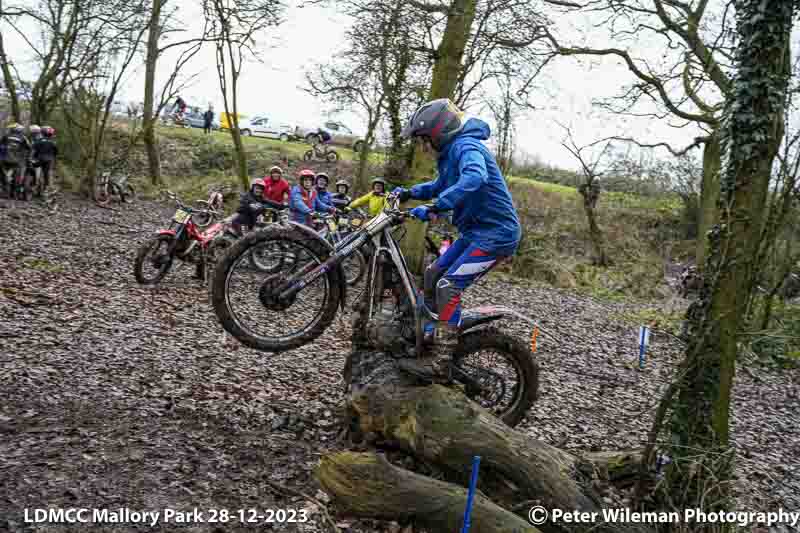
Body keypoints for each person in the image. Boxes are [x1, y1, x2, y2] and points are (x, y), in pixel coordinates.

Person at [392, 98, 522, 379]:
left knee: (448, 285)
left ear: (438, 133)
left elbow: (475, 177)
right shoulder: (450, 154)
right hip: (475, 232)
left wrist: (437, 205)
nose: (422, 148)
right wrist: (408, 192)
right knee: (433, 273)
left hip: (496, 236)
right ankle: (430, 336)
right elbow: (439, 185)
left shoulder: (468, 147)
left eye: (423, 141)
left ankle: (440, 362)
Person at [0, 123, 31, 196]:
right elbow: (29, 147)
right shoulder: (23, 138)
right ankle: (14, 192)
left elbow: (1, 144)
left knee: (3, 174)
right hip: (17, 161)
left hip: (4, 159)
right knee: (17, 175)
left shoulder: (6, 136)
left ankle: (4, 189)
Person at [31, 126, 58, 195]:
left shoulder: (38, 141)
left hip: (38, 160)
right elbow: (55, 153)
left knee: (32, 170)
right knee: (47, 174)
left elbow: (33, 150)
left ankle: (33, 185)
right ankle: (46, 189)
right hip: (48, 161)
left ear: (42, 133)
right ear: (51, 134)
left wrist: (32, 158)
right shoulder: (53, 143)